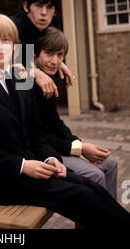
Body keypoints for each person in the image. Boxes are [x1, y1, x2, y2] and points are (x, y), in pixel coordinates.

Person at [0, 13, 130, 228]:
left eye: (5, 40)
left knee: (90, 186)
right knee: (79, 195)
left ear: (14, 46)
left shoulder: (20, 80)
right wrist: (22, 166)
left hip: (32, 166)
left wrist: (50, 159)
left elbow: (35, 134)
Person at [33, 27, 117, 199]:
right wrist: (79, 150)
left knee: (111, 163)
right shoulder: (27, 85)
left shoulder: (50, 80)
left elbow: (56, 123)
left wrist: (79, 145)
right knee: (95, 175)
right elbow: (37, 136)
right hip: (41, 152)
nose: (55, 61)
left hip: (57, 146)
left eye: (60, 55)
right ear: (35, 54)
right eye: (49, 53)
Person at [10, 0, 72, 99]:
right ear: (27, 7)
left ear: (55, 12)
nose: (44, 12)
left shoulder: (50, 30)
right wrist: (34, 72)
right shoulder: (11, 29)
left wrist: (60, 63)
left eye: (49, 7)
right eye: (38, 5)